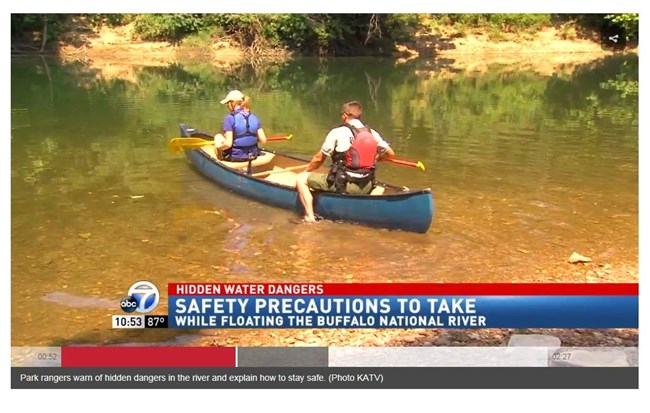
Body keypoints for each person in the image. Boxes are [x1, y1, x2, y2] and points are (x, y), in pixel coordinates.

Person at [296, 101, 394, 222]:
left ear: (344, 115)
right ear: (359, 116)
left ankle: (309, 217)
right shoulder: (371, 133)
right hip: (367, 185)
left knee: (301, 179)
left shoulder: (337, 132)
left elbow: (318, 159)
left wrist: (305, 171)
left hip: (344, 185)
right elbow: (390, 154)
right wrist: (377, 158)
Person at [213, 90, 267, 161]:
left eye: (227, 103)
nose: (227, 106)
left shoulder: (230, 118)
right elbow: (263, 140)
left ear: (232, 103)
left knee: (218, 137)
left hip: (236, 156)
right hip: (253, 155)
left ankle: (220, 160)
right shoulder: (254, 117)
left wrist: (218, 147)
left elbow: (228, 144)